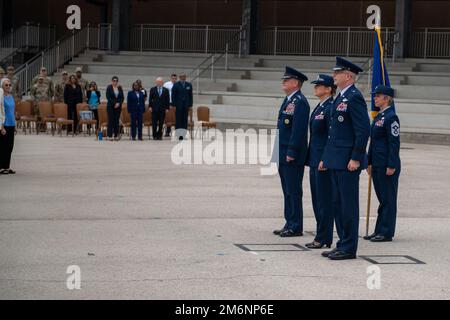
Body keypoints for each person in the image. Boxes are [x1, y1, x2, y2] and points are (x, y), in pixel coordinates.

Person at [321, 57, 371, 261]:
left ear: (348, 75)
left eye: (337, 72)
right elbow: (333, 132)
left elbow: (362, 130)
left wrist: (356, 158)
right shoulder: (340, 97)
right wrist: (327, 157)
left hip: (348, 161)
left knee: (347, 204)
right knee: (337, 203)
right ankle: (342, 242)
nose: (334, 75)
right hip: (336, 159)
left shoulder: (354, 97)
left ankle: (349, 246)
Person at [272, 66, 310, 238]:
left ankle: (296, 226)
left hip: (291, 154)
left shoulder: (300, 102)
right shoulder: (289, 100)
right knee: (287, 190)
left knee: (293, 190)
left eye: (286, 80)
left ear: (295, 83)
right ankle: (289, 222)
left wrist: (292, 152)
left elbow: (298, 130)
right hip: (282, 152)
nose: (283, 82)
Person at [305, 74, 342, 249]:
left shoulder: (330, 107)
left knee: (324, 200)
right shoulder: (320, 107)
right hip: (314, 159)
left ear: (328, 88)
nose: (315, 87)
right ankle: (322, 234)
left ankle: (323, 236)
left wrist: (326, 158)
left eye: (319, 85)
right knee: (317, 199)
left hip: (322, 161)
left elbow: (331, 136)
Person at [365, 85, 401, 243]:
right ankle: (379, 229)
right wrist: (369, 161)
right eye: (375, 95)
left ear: (387, 98)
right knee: (382, 198)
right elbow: (373, 143)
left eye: (378, 96)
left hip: (387, 164)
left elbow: (394, 143)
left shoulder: (391, 117)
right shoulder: (379, 117)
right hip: (378, 163)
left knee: (388, 199)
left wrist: (391, 164)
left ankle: (386, 232)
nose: (375, 98)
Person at [0, 78, 17, 175]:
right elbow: (1, 112)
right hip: (4, 124)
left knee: (10, 146)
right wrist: (1, 126)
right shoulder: (1, 97)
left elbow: (13, 111)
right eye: (6, 85)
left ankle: (7, 166)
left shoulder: (11, 97)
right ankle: (1, 167)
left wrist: (15, 125)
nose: (8, 87)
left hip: (11, 123)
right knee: (3, 146)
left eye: (9, 85)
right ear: (2, 86)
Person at [172, 73, 193, 140]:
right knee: (178, 120)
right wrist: (174, 105)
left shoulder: (189, 85)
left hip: (186, 105)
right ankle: (178, 135)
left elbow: (190, 96)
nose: (183, 78)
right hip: (178, 106)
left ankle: (183, 135)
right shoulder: (176, 85)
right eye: (182, 77)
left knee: (184, 120)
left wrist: (190, 105)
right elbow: (173, 96)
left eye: (184, 76)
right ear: (180, 77)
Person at [106, 76, 124, 141]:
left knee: (116, 121)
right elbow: (108, 97)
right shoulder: (109, 87)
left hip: (118, 107)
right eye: (114, 81)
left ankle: (116, 135)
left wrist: (119, 103)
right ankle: (109, 135)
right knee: (111, 120)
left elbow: (122, 97)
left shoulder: (119, 88)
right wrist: (115, 103)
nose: (115, 82)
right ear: (112, 81)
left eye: (116, 81)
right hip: (110, 106)